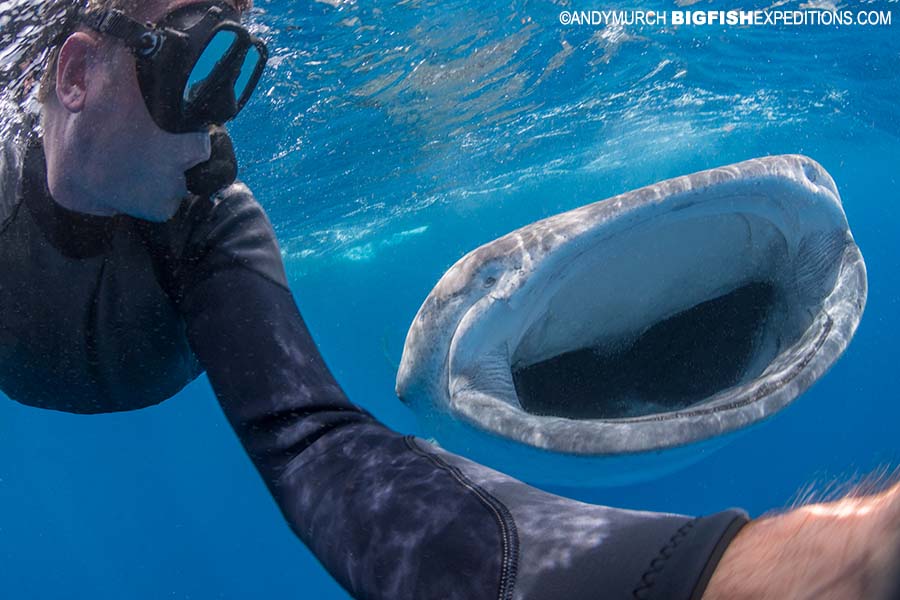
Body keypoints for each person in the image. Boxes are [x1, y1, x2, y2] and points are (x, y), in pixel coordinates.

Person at [1, 0, 898, 598]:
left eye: (242, 77)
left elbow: (320, 450)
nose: (216, 143)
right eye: (198, 76)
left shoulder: (205, 227)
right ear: (75, 75)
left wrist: (704, 575)